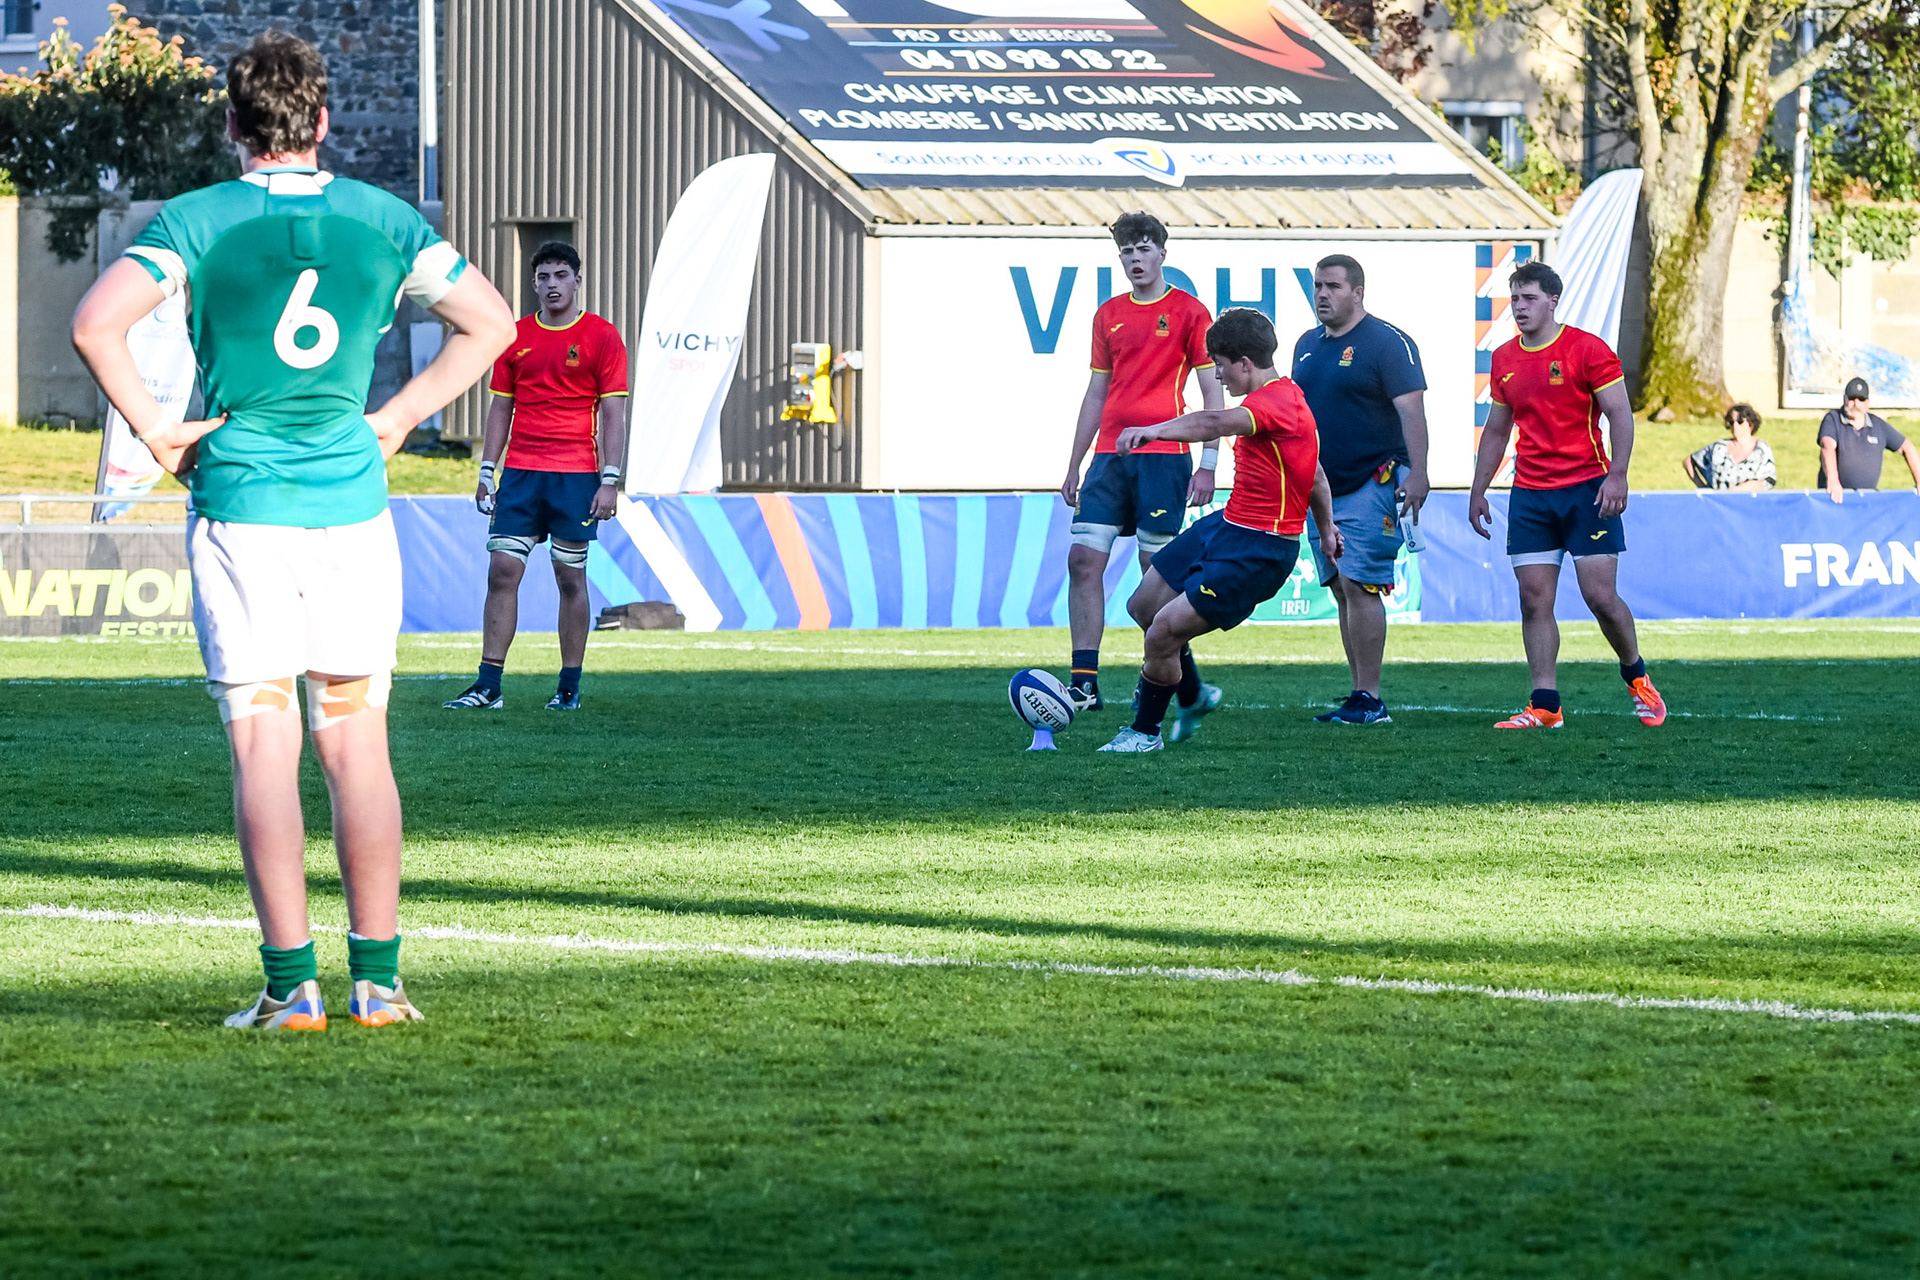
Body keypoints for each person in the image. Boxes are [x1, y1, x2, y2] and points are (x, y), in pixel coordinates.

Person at [70, 32, 516, 1029]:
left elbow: (96, 323)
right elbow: (492, 323)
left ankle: (290, 988)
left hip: (243, 510)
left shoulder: (197, 219)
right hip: (352, 509)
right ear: (322, 121)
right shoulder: (384, 217)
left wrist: (158, 432)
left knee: (264, 748)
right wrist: (399, 417)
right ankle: (379, 984)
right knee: (357, 745)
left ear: (232, 122)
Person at [1096, 308, 1342, 753]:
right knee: (1144, 607)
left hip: (1261, 549)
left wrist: (1154, 430)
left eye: (1220, 365)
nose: (1217, 376)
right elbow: (1317, 476)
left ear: (1244, 364)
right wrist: (1327, 531)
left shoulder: (1274, 403)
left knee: (1162, 633)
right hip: (1227, 526)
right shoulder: (1278, 399)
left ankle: (1144, 733)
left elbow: (1213, 422)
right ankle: (1192, 694)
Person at [1467, 260, 1666, 730]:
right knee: (1534, 600)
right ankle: (1545, 704)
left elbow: (1620, 414)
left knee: (1600, 597)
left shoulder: (1586, 349)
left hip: (1587, 491)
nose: (1519, 307)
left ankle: (1636, 675)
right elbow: (1496, 430)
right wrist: (1478, 490)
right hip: (1531, 494)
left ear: (1553, 301)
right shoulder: (1504, 358)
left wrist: (1618, 475)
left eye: (1529, 298)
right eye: (1515, 298)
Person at [443, 243, 629, 712]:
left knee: (570, 576)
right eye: (543, 277)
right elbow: (500, 407)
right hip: (521, 474)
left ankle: (568, 687)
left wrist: (610, 480)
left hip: (575, 475)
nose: (552, 285)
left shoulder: (602, 336)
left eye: (561, 275)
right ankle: (489, 686)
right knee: (502, 571)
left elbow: (614, 413)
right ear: (534, 284)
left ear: (577, 281)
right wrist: (487, 471)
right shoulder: (515, 336)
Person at [1058, 211, 1222, 712]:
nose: (1135, 258)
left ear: (1162, 254)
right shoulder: (1108, 314)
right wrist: (1074, 463)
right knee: (1083, 561)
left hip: (1164, 458)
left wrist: (1209, 462)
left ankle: (1183, 685)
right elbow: (1096, 392)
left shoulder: (1190, 312)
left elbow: (1211, 390)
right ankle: (1084, 684)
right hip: (1109, 458)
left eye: (1144, 249)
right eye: (1127, 251)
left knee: (1156, 574)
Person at [1289, 254, 1429, 725]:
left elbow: (1412, 413)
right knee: (1339, 588)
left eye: (1332, 286)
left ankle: (1370, 697)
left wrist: (1418, 473)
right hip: (1319, 487)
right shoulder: (1306, 345)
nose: (1322, 294)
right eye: (1317, 286)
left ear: (1357, 292)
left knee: (1359, 581)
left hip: (1373, 479)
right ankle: (1358, 693)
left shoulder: (1387, 343)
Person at [1817, 378, 1920, 503]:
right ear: (1845, 399)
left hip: (1868, 501)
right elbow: (1827, 445)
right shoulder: (1833, 419)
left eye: (1860, 399)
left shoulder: (1878, 426)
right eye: (1852, 398)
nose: (1856, 403)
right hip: (1837, 498)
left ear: (1867, 403)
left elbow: (1907, 447)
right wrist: (1833, 481)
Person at [1683, 404, 1775, 491]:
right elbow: (1688, 461)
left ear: (1751, 424)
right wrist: (1702, 487)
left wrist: (1738, 490)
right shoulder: (1718, 448)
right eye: (1731, 422)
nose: (1735, 426)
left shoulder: (1762, 449)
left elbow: (1769, 480)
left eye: (1740, 422)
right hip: (1718, 501)